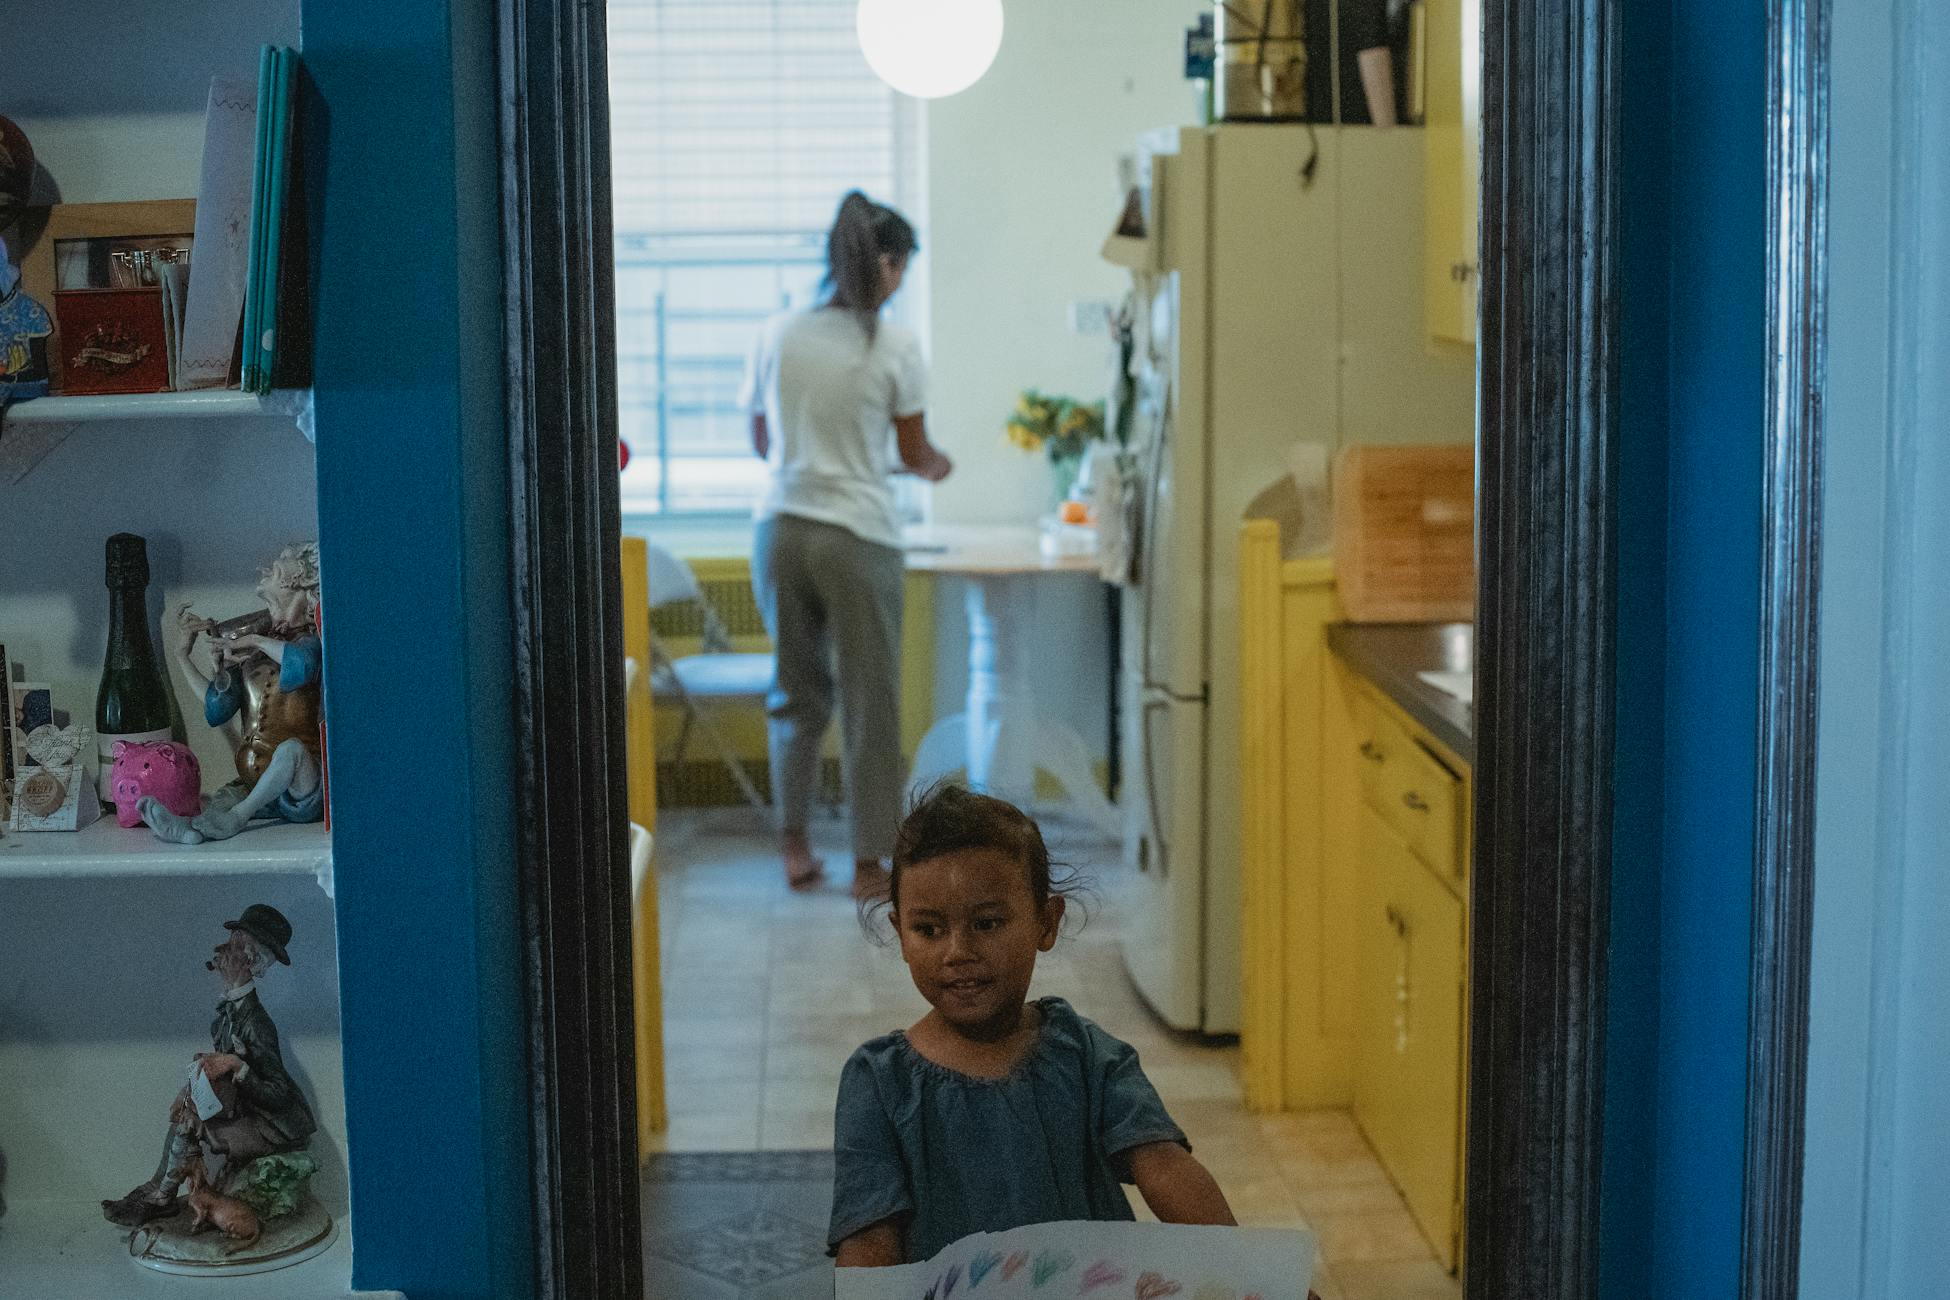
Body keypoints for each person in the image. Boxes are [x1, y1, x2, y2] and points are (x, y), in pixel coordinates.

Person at [828, 785, 1239, 1269]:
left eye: (987, 923)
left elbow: (1166, 1167)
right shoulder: (877, 1082)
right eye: (930, 930)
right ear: (900, 934)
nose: (957, 952)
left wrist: (1256, 1274)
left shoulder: (1089, 1055)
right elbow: (870, 1241)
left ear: (1047, 922)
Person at [743, 191, 953, 896]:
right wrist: (936, 465)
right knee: (872, 701)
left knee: (795, 697)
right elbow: (916, 451)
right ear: (888, 265)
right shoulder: (893, 343)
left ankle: (794, 847)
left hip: (779, 528)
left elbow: (763, 441)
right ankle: (870, 863)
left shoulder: (778, 330)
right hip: (858, 535)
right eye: (903, 269)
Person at [103, 904, 319, 1227]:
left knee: (193, 1124)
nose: (222, 953)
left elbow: (278, 1094)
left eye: (233, 947)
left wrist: (236, 1066)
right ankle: (156, 1191)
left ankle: (161, 1196)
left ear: (249, 961)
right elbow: (216, 1069)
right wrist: (187, 1091)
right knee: (185, 1116)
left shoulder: (257, 1023)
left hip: (273, 1125)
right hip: (247, 1110)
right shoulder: (225, 1017)